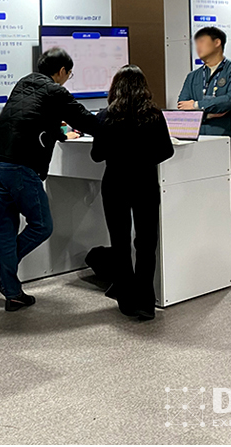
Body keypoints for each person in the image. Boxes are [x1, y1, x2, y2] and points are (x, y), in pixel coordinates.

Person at [0, 48, 99, 311]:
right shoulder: (56, 91)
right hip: (19, 165)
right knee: (42, 225)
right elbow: (85, 120)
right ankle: (6, 267)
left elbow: (33, 117)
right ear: (62, 71)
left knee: (6, 227)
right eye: (69, 74)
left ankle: (12, 293)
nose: (68, 79)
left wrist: (61, 134)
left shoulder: (24, 83)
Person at [90, 65, 173, 320]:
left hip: (115, 184)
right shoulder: (154, 115)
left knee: (121, 242)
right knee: (146, 243)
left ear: (115, 88)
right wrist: (144, 159)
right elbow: (167, 150)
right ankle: (146, 302)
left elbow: (96, 155)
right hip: (145, 184)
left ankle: (126, 300)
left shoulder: (105, 117)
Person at [177, 26, 231, 272]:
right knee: (201, 198)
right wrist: (211, 111)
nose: (198, 47)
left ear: (217, 43)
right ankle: (204, 253)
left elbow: (230, 101)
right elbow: (182, 105)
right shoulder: (193, 76)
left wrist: (198, 106)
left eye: (202, 42)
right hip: (201, 144)